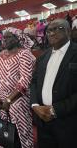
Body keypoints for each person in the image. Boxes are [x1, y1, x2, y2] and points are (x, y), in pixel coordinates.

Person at [31, 19, 77, 148]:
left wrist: (56, 109)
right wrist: (35, 105)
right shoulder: (43, 56)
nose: (52, 33)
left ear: (69, 31)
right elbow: (33, 82)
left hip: (68, 122)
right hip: (42, 120)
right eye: (49, 30)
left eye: (58, 29)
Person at [0, 31, 36, 148]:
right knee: (4, 133)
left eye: (8, 37)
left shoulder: (25, 54)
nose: (4, 40)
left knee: (21, 132)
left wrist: (9, 100)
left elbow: (25, 80)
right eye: (3, 37)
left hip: (18, 100)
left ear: (17, 38)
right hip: (1, 101)